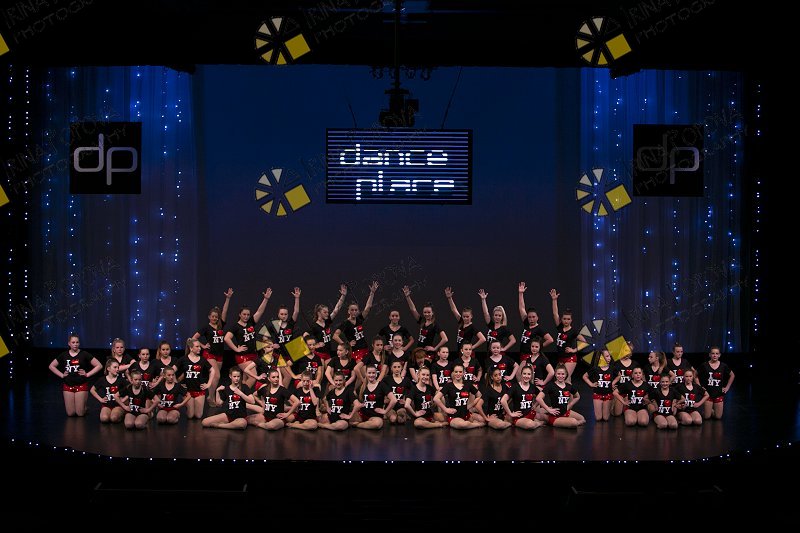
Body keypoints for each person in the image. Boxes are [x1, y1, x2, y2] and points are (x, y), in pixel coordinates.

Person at [224, 288, 272, 384]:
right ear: (240, 314)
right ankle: (244, 393)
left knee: (245, 380)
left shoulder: (251, 322)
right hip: (243, 356)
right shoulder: (236, 326)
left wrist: (266, 299)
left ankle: (241, 393)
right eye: (244, 314)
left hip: (253, 354)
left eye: (248, 315)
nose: (246, 316)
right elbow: (226, 338)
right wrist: (236, 349)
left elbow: (259, 311)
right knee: (253, 377)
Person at [192, 287, 233, 400]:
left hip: (219, 354)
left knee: (215, 377)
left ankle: (210, 395)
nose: (214, 318)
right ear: (209, 317)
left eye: (216, 317)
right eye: (212, 316)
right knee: (217, 375)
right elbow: (193, 338)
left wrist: (228, 299)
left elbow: (225, 311)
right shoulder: (206, 327)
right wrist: (203, 346)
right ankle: (211, 397)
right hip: (209, 354)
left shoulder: (221, 325)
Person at [48, 333, 102, 416]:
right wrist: (62, 375)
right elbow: (51, 366)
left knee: (80, 413)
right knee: (70, 413)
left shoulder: (84, 354)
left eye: (77, 342)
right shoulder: (64, 355)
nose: (75, 344)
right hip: (68, 385)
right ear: (69, 343)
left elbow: (99, 365)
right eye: (73, 342)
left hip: (81, 385)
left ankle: (84, 408)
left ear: (79, 343)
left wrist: (87, 374)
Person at [333, 281, 379, 362]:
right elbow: (335, 336)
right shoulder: (345, 323)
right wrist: (346, 345)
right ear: (348, 311)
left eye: (356, 310)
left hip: (365, 348)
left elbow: (368, 307)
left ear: (358, 311)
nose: (354, 312)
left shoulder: (359, 319)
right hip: (355, 351)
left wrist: (372, 293)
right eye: (352, 310)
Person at [549, 289, 586, 384]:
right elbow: (555, 313)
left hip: (570, 358)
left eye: (568, 319)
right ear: (562, 319)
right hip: (561, 358)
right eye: (564, 319)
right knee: (565, 380)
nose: (566, 321)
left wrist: (574, 350)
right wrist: (554, 300)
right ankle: (572, 394)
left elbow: (584, 342)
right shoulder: (560, 327)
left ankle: (572, 394)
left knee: (564, 379)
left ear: (571, 320)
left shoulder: (573, 331)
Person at [434, 363, 485, 429]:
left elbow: (479, 395)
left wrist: (470, 405)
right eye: (456, 372)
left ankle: (471, 424)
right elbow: (436, 398)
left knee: (483, 420)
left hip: (467, 415)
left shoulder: (468, 384)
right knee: (462, 425)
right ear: (453, 373)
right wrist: (445, 409)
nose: (458, 374)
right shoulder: (448, 386)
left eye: (460, 372)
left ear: (464, 373)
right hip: (454, 417)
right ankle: (476, 424)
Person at [403, 285, 448, 361]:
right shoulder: (422, 321)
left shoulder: (435, 325)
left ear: (432, 313)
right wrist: (408, 297)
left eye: (428, 312)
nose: (426, 314)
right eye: (425, 312)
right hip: (418, 351)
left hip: (427, 353)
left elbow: (445, 339)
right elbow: (413, 309)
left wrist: (435, 348)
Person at [176, 338, 216, 419]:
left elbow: (212, 370)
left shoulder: (202, 360)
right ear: (191, 348)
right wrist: (176, 384)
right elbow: (171, 371)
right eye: (197, 346)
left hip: (199, 390)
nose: (200, 348)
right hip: (188, 391)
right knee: (190, 415)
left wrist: (208, 384)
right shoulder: (183, 359)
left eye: (200, 347)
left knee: (198, 415)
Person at [306, 284, 348, 360]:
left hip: (327, 353)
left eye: (327, 312)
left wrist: (343, 296)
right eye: (325, 312)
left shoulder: (327, 321)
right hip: (318, 354)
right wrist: (315, 345)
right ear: (319, 313)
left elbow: (336, 309)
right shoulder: (314, 326)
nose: (327, 314)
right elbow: (305, 336)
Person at [517, 282, 554, 363]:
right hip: (522, 354)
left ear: (537, 317)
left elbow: (550, 339)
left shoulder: (539, 329)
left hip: (530, 356)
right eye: (529, 317)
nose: (531, 319)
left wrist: (538, 347)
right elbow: (521, 308)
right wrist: (521, 293)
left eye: (533, 317)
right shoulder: (526, 323)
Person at [444, 286, 487, 355]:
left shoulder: (472, 327)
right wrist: (449, 298)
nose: (465, 318)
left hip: (466, 353)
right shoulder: (461, 321)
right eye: (464, 316)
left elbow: (483, 339)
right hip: (459, 351)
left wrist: (471, 348)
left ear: (471, 316)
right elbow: (454, 310)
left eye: (467, 317)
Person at [698, 346, 735, 420]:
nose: (715, 355)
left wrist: (727, 387)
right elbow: (695, 375)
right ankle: (705, 411)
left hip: (718, 393)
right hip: (707, 394)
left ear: (719, 355)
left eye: (716, 353)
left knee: (718, 417)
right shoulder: (704, 365)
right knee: (707, 417)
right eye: (713, 353)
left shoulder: (723, 366)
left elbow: (732, 375)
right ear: (709, 355)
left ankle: (710, 410)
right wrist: (700, 387)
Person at [479, 289, 516, 360]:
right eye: (496, 315)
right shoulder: (490, 325)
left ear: (502, 317)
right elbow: (485, 313)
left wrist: (504, 348)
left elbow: (513, 340)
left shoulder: (504, 328)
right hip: (489, 354)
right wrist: (483, 300)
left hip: (498, 355)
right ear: (493, 316)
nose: (497, 317)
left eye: (499, 315)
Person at [582, 349, 614, 421]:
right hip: (597, 395)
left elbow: (619, 376)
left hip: (608, 395)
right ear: (601, 357)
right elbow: (584, 376)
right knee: (598, 418)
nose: (609, 358)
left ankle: (612, 406)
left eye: (610, 356)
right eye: (607, 356)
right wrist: (591, 384)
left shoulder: (612, 368)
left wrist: (613, 383)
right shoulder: (596, 368)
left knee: (606, 418)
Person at [610, 351, 640, 416]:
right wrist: (612, 384)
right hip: (619, 391)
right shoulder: (616, 363)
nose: (626, 354)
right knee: (617, 413)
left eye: (628, 352)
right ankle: (612, 404)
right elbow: (610, 375)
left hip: (630, 392)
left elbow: (639, 377)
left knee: (628, 411)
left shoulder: (635, 364)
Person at [383, 360, 412, 424]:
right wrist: (384, 400)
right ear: (391, 368)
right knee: (393, 419)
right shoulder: (387, 379)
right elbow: (380, 391)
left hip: (400, 406)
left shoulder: (406, 380)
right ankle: (389, 415)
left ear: (402, 368)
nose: (397, 369)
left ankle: (404, 415)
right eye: (394, 367)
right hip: (390, 406)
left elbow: (413, 391)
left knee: (401, 420)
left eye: (399, 367)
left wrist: (407, 401)